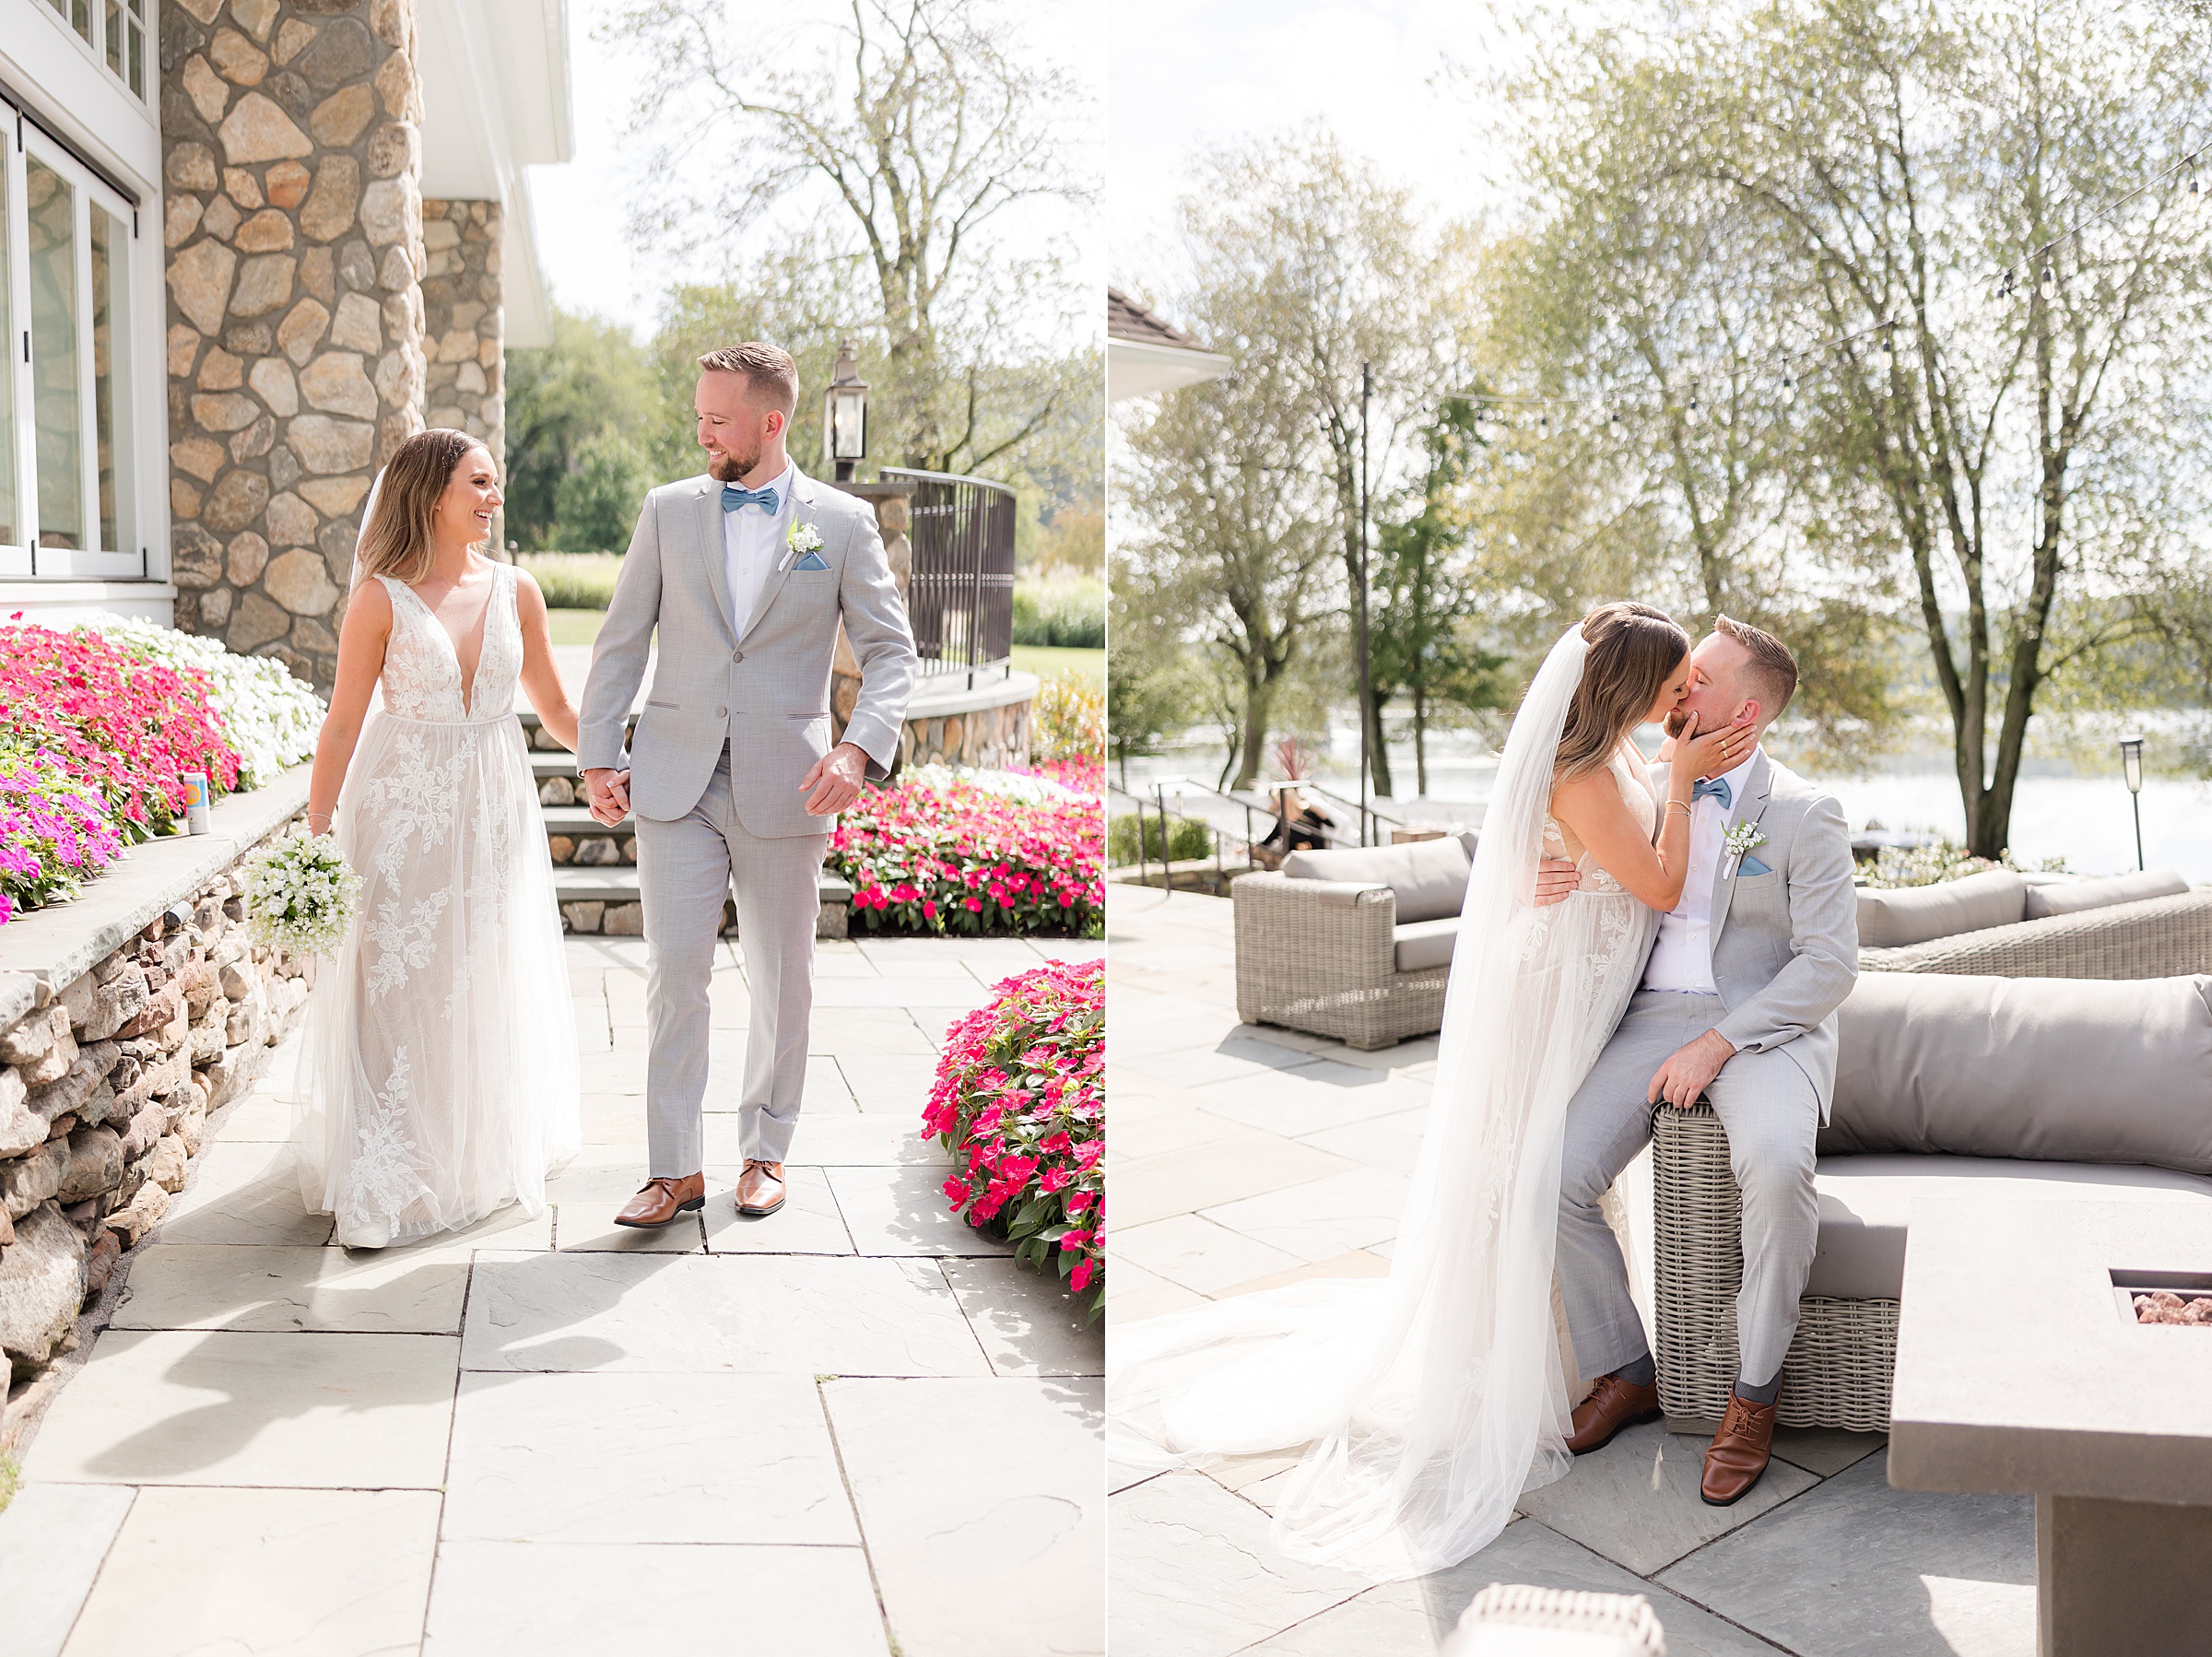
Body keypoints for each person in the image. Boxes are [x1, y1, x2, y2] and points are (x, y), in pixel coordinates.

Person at [1112, 601, 1756, 1580]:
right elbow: (1661, 886)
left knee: (1552, 1163)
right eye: (1670, 690)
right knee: (1519, 1165)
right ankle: (1515, 1375)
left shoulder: (1614, 750)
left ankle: (1588, 1359)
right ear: (1628, 692)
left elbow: (1596, 856)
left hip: (1585, 989)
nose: (1681, 705)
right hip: (1551, 999)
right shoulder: (1588, 773)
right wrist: (1675, 778)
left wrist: (1647, 774)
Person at [575, 342, 917, 1228]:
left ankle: (766, 1149)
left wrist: (858, 750)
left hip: (790, 783)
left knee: (781, 977)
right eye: (698, 414)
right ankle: (673, 1169)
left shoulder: (839, 525)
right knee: (676, 975)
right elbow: (621, 641)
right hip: (674, 777)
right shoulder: (666, 512)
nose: (701, 431)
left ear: (771, 422)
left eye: (717, 419)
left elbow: (890, 654)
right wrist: (598, 755)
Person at [1553, 617, 1858, 1507]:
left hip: (1757, 1026)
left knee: (1774, 1169)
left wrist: (1723, 1040)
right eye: (1680, 680)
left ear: (1749, 709)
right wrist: (1557, 875)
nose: (1680, 692)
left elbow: (1831, 964)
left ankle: (1752, 1396)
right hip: (1646, 1013)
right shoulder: (1644, 780)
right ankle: (1625, 1370)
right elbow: (1589, 850)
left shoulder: (1805, 812)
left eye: (1701, 681)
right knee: (1553, 1175)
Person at [294, 429, 582, 1249]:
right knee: (396, 985)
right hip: (399, 814)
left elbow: (557, 709)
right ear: (430, 495)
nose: (493, 499)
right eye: (480, 484)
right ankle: (384, 1176)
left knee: (480, 973)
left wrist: (610, 758)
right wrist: (315, 839)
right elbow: (345, 724)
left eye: (495, 485)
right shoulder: (378, 599)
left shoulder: (519, 590)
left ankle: (471, 1156)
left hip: (493, 810)